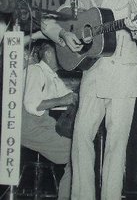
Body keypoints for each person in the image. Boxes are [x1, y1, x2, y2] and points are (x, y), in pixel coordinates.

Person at [41, 0, 137, 200]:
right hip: (93, 73)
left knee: (115, 145)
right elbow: (48, 22)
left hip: (124, 73)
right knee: (80, 139)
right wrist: (65, 34)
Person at [22, 41, 77, 200]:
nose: (65, 54)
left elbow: (70, 97)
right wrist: (63, 100)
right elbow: (32, 105)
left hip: (41, 124)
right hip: (28, 124)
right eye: (60, 50)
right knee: (77, 153)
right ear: (48, 54)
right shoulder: (35, 70)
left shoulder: (52, 76)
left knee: (80, 152)